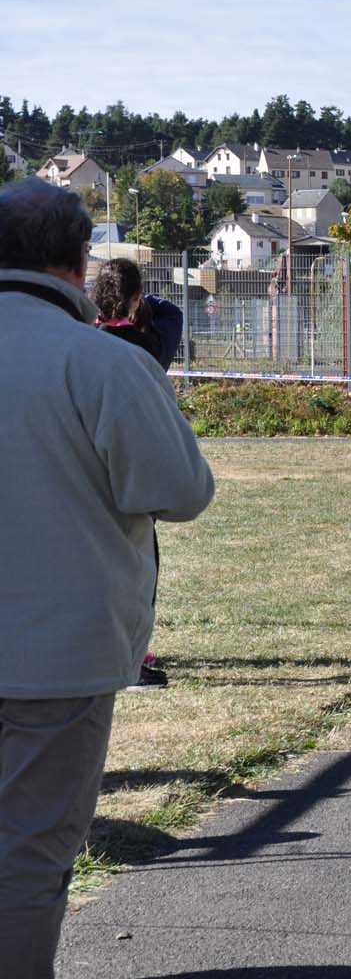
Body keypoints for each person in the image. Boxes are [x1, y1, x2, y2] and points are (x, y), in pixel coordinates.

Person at [0, 179, 215, 977]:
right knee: (28, 855)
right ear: (77, 262)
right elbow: (181, 492)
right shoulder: (102, 363)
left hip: (56, 651)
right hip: (56, 656)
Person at [90, 258, 173, 690]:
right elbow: (172, 316)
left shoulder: (79, 342)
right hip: (129, 474)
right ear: (136, 299)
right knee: (140, 571)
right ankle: (132, 659)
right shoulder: (145, 349)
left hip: (83, 474)